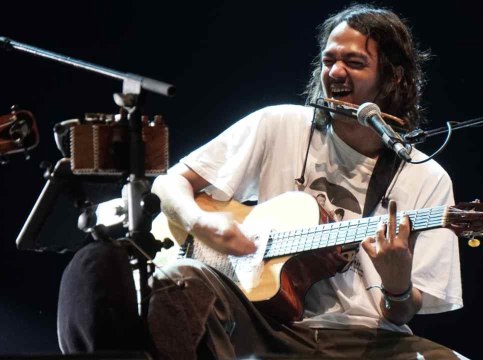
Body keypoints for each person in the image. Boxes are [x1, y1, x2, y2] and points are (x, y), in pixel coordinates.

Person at [147, 4, 463, 360]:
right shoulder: (279, 124)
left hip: (369, 341)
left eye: (355, 63)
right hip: (265, 323)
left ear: (394, 78)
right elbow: (170, 183)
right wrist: (203, 223)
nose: (336, 72)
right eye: (329, 60)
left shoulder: (426, 177)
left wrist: (398, 284)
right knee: (179, 276)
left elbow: (401, 312)